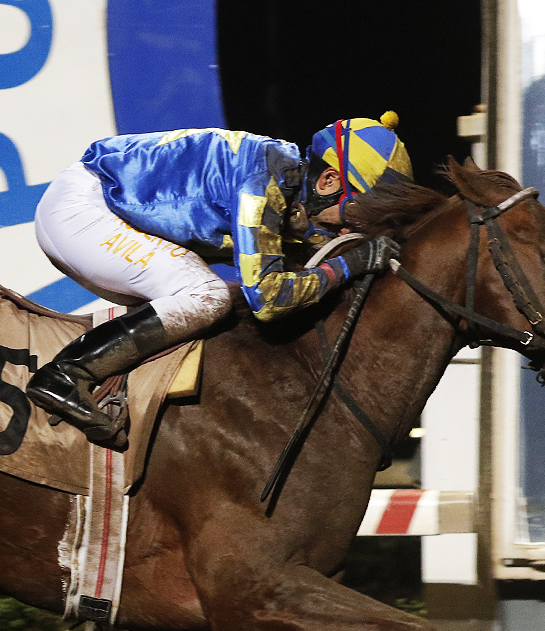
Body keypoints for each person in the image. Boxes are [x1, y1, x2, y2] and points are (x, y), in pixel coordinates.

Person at [27, 113, 413, 447]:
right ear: (328, 181)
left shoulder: (288, 184)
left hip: (98, 210)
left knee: (204, 303)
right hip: (83, 210)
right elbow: (268, 299)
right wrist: (351, 264)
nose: (350, 228)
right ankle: (65, 375)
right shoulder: (263, 179)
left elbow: (309, 255)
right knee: (207, 296)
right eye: (358, 214)